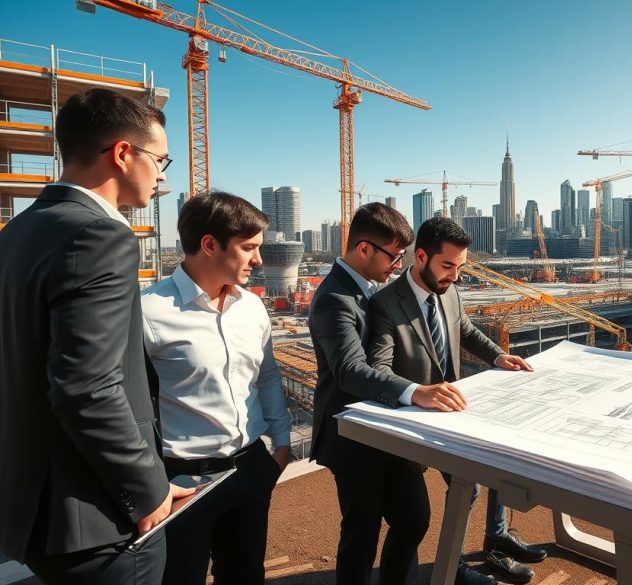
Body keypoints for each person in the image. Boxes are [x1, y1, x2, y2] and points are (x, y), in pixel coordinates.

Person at [0, 88, 192, 584]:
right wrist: (147, 486)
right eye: (160, 158)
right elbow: (87, 388)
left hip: (37, 507)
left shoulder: (19, 231)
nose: (164, 174)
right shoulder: (99, 236)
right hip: (99, 516)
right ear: (123, 153)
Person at [369, 217, 547, 585]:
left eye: (460, 267)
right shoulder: (385, 304)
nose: (456, 275)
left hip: (453, 410)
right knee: (459, 492)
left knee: (494, 460)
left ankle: (494, 541)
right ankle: (455, 565)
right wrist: (418, 393)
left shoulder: (449, 290)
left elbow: (463, 329)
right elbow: (378, 369)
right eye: (448, 265)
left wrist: (498, 356)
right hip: (413, 420)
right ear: (420, 257)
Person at [308, 203, 467, 585]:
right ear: (365, 249)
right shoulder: (335, 298)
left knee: (413, 520)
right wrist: (415, 392)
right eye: (394, 256)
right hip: (352, 436)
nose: (398, 265)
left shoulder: (366, 291)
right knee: (361, 537)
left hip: (385, 428)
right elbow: (350, 371)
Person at [140, 192, 291, 584]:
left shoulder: (252, 307)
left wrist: (282, 443)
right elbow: (125, 407)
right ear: (209, 244)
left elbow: (267, 375)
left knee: (245, 576)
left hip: (250, 468)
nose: (258, 260)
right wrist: (148, 484)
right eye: (249, 248)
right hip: (183, 483)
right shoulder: (148, 312)